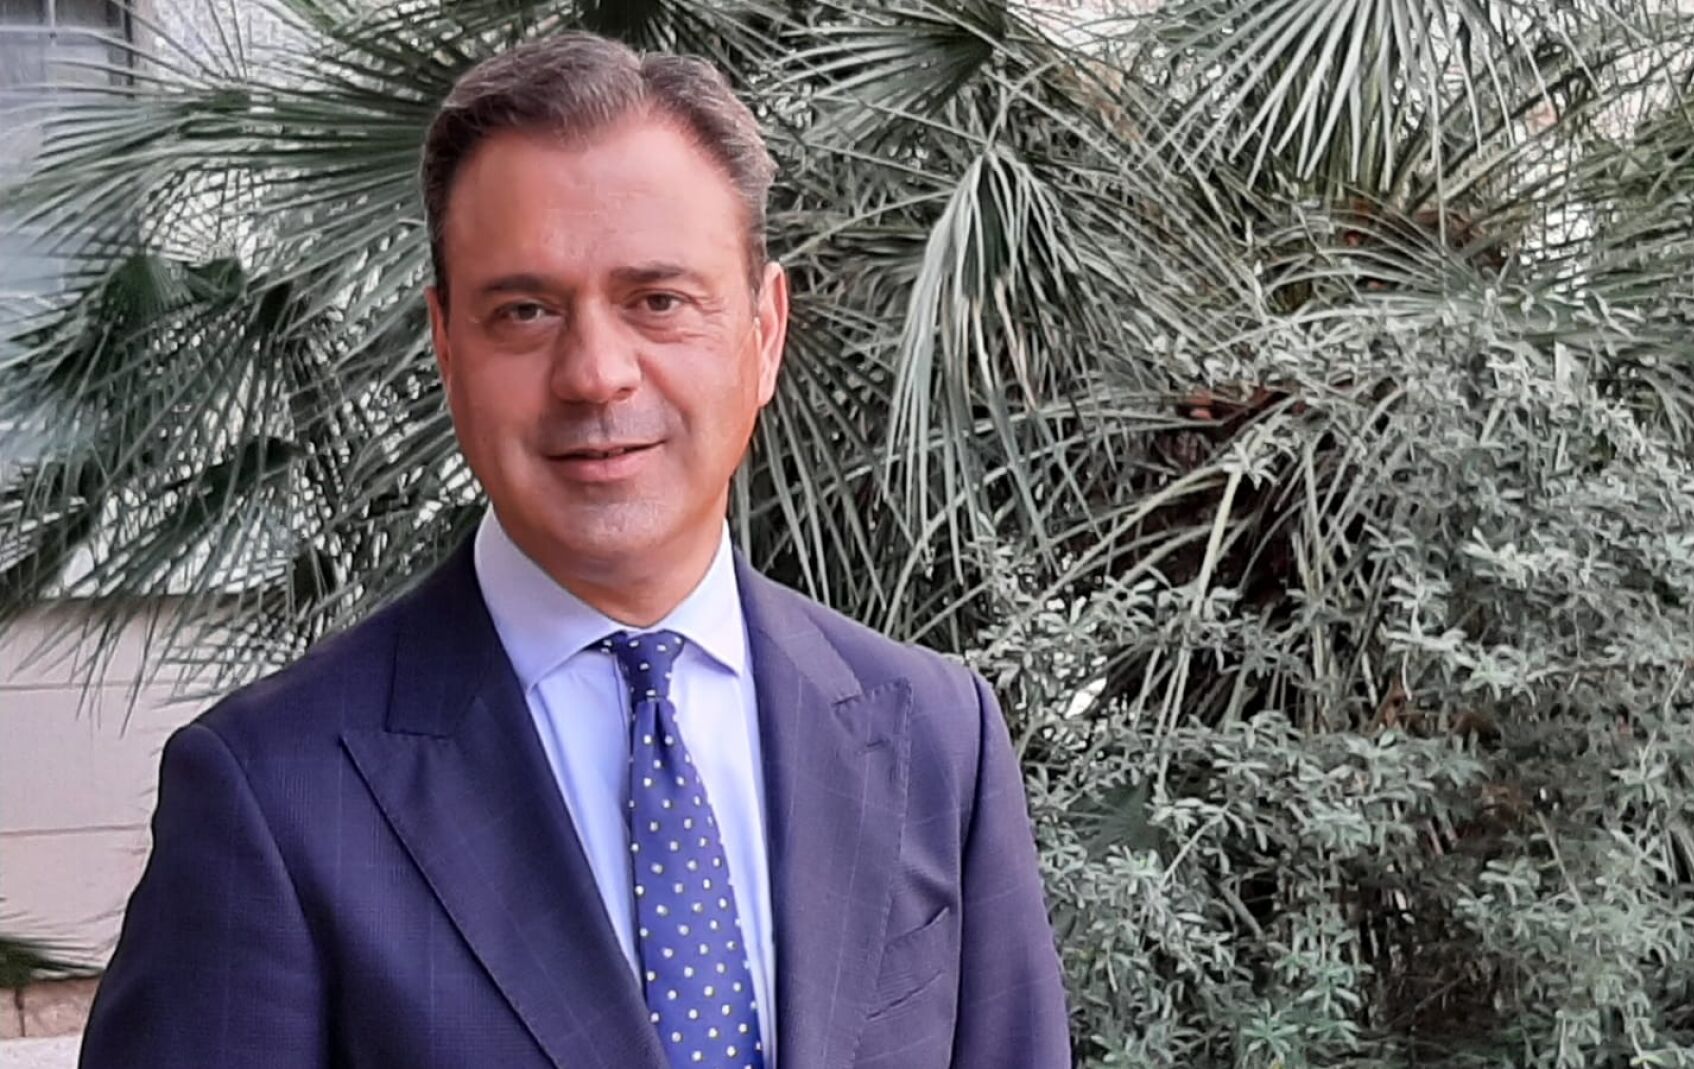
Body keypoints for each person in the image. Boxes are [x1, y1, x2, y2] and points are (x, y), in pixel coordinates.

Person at [79, 32, 1069, 1069]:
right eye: (525, 311)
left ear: (765, 332)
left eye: (658, 301)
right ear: (447, 343)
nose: (595, 373)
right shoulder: (272, 794)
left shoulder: (934, 738)